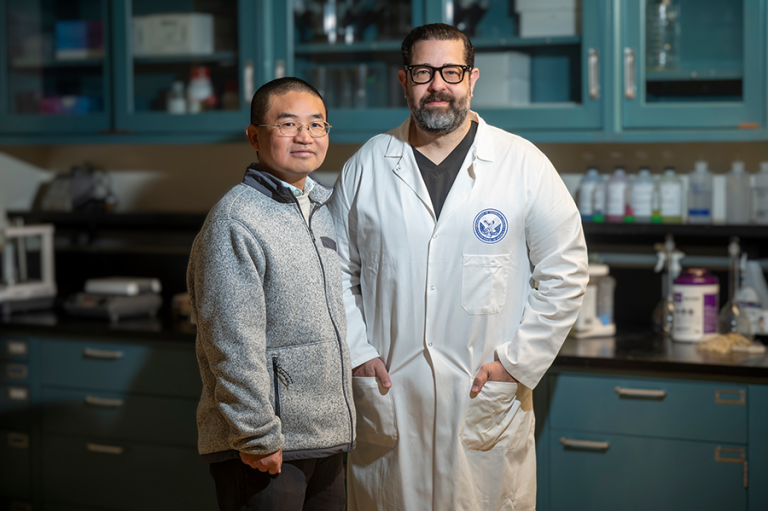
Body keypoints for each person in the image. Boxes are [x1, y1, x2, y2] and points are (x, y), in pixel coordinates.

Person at [329, 24, 588, 511]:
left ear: (472, 79)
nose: (438, 86)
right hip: (390, 395)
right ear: (403, 81)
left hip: (484, 397)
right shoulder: (366, 166)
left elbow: (566, 271)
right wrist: (358, 352)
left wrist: (517, 364)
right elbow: (334, 274)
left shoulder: (522, 164)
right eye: (424, 72)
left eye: (451, 71)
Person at [187, 77, 355, 511]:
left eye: (317, 125)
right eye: (288, 124)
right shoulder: (235, 219)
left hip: (325, 434)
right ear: (254, 136)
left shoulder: (321, 207)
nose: (305, 136)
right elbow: (229, 341)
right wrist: (256, 434)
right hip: (266, 443)